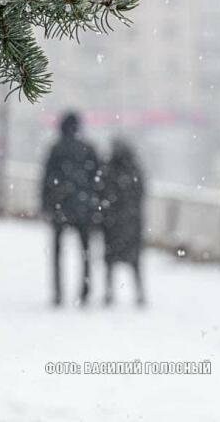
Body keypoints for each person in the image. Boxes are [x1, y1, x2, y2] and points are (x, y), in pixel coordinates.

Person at [40, 111, 101, 307]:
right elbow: (97, 181)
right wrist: (95, 205)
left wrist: (46, 206)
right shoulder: (89, 149)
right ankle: (85, 292)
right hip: (84, 209)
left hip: (61, 208)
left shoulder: (56, 149)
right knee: (85, 253)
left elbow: (46, 180)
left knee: (58, 253)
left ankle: (58, 293)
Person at [100, 139, 146, 307]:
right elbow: (140, 195)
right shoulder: (134, 171)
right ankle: (140, 293)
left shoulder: (108, 170)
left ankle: (109, 293)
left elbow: (103, 194)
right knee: (135, 263)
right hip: (131, 224)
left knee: (110, 262)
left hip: (113, 225)